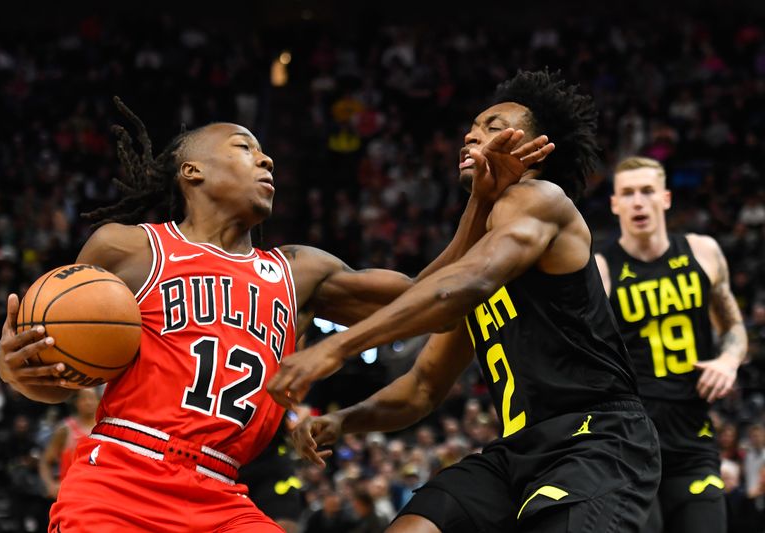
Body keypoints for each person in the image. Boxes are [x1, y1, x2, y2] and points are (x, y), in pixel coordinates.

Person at [0, 98, 551, 531]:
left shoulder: (300, 271)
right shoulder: (127, 248)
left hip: (223, 492)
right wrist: (19, 373)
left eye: (265, 153)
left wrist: (480, 201)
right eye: (244, 148)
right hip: (123, 476)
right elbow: (60, 373)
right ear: (192, 171)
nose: (266, 159)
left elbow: (427, 297)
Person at [276, 70, 661, 532]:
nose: (472, 135)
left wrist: (338, 346)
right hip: (516, 450)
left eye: (495, 127)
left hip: (594, 439)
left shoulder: (540, 198)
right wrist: (345, 421)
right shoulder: (483, 239)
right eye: (473, 128)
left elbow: (465, 282)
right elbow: (422, 387)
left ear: (534, 149)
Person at [594, 156, 748, 533]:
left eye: (647, 191)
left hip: (693, 437)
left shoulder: (703, 252)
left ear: (665, 198)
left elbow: (733, 327)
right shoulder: (601, 268)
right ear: (614, 204)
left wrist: (728, 361)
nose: (637, 202)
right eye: (627, 194)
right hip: (630, 443)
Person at [38, 388, 100, 501]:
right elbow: (45, 461)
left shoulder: (106, 428)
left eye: (91, 398)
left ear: (98, 400)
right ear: (76, 402)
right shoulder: (65, 429)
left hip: (99, 494)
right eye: (84, 398)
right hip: (71, 495)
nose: (88, 402)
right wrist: (50, 484)